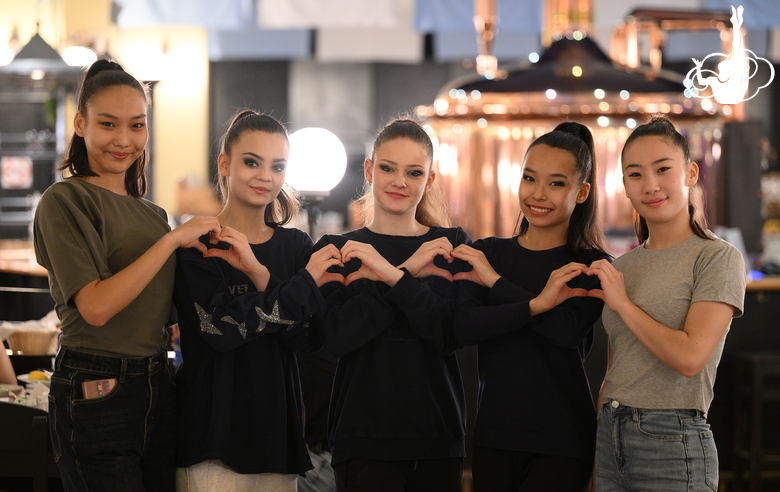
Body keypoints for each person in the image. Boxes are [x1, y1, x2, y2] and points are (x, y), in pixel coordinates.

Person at [33, 59, 221, 492]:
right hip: (97, 387)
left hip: (160, 382)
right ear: (81, 124)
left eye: (137, 125)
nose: (123, 140)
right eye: (108, 124)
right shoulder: (64, 201)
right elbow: (96, 308)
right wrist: (171, 243)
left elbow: (163, 314)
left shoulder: (153, 214)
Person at [172, 110, 343, 492]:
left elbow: (305, 338)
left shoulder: (298, 246)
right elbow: (219, 330)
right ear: (225, 163)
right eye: (252, 162)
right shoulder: (196, 245)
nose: (265, 176)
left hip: (275, 433)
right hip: (209, 433)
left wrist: (258, 273)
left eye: (277, 166)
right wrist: (299, 288)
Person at [312, 119, 470, 492]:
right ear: (369, 169)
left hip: (437, 435)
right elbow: (337, 336)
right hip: (362, 437)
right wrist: (408, 271)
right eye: (388, 168)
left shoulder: (451, 245)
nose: (400, 182)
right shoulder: (338, 250)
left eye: (414, 172)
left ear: (429, 180)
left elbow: (447, 334)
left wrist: (392, 275)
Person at [590, 116, 746, 491]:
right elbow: (618, 362)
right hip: (610, 434)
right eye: (636, 174)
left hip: (672, 439)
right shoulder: (623, 266)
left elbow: (691, 358)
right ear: (624, 185)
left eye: (663, 169)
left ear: (690, 173)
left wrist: (624, 304)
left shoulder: (717, 257)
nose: (651, 185)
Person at [450, 122, 609, 492]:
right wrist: (538, 303)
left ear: (581, 191)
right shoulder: (489, 253)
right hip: (494, 432)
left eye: (556, 183)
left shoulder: (590, 266)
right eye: (529, 178)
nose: (538, 194)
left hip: (563, 437)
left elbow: (564, 332)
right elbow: (465, 327)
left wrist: (495, 284)